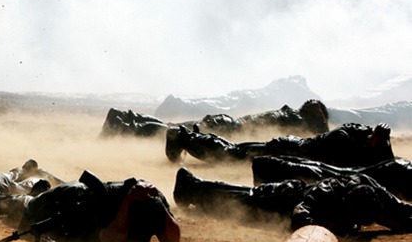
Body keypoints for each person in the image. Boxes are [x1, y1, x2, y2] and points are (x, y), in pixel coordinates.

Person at [173, 166, 412, 235]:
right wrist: (327, 227)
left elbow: (403, 212)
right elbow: (300, 215)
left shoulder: (377, 195)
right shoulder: (328, 191)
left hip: (296, 198)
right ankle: (191, 185)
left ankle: (194, 186)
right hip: (281, 199)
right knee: (239, 200)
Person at [1, 170, 181, 242]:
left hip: (78, 211)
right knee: (24, 206)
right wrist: (127, 203)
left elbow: (173, 241)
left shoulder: (154, 202)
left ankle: (35, 183)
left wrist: (160, 207)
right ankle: (17, 181)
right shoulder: (110, 204)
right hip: (65, 199)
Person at [165, 122, 393, 167]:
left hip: (287, 149)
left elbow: (388, 164)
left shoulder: (377, 145)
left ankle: (192, 136)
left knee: (235, 149)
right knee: (231, 154)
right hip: (284, 149)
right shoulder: (344, 137)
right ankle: (182, 136)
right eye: (374, 139)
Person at [101, 100, 330, 139]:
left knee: (171, 128)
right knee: (171, 132)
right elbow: (323, 134)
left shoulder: (288, 114)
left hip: (225, 122)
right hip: (227, 127)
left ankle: (124, 119)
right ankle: (124, 124)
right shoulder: (294, 119)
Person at [251, 155, 412, 201]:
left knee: (312, 169)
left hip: (357, 176)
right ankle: (263, 165)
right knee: (312, 169)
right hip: (357, 176)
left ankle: (263, 165)